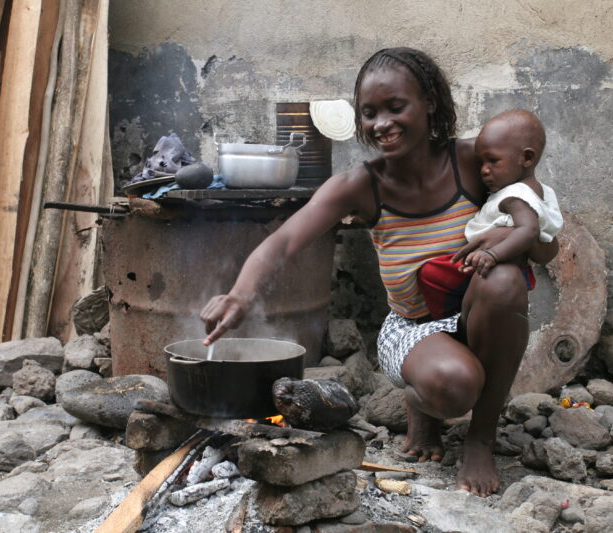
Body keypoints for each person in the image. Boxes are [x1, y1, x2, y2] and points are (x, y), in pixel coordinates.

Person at [200, 47, 559, 496]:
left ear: (429, 101)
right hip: (410, 329)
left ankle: (480, 440)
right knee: (455, 385)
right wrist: (240, 294)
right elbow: (285, 240)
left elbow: (546, 247)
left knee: (504, 280)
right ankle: (420, 400)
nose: (381, 124)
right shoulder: (362, 185)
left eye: (395, 107)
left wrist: (517, 237)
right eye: (369, 113)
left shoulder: (476, 163)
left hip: (476, 313)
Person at [417, 109, 563, 319]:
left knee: (430, 274)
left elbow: (529, 230)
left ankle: (449, 321)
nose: (484, 170)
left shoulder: (514, 196)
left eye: (493, 161)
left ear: (527, 158)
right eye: (481, 162)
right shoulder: (535, 190)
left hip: (495, 262)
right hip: (501, 264)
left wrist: (492, 255)